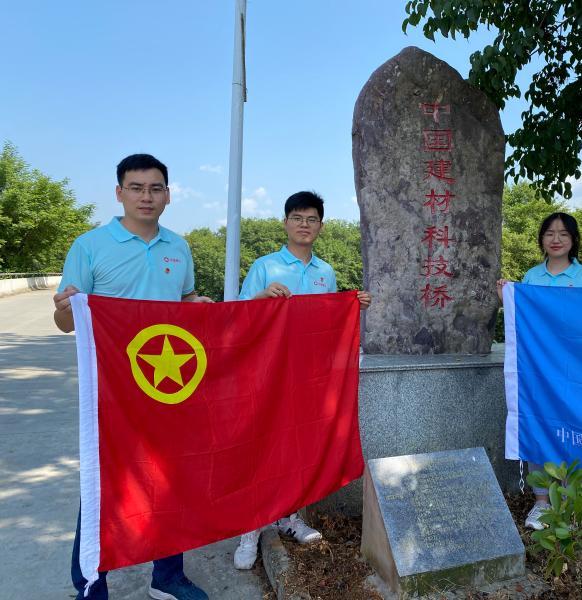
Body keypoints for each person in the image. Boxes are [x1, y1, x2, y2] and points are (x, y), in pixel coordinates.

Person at [53, 154, 211, 600]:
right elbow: (66, 322)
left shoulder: (178, 247)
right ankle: (91, 584)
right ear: (119, 192)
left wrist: (199, 307)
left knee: (170, 480)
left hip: (169, 388)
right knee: (105, 485)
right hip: (112, 390)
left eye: (156, 188)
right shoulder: (90, 246)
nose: (147, 196)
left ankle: (168, 576)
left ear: (168, 195)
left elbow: (184, 302)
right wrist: (65, 309)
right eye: (137, 188)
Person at [233, 190, 371, 570]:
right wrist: (262, 297)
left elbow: (327, 324)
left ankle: (289, 516)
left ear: (321, 226)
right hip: (267, 372)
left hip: (308, 375)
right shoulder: (265, 266)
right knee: (261, 445)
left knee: (297, 446)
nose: (304, 225)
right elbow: (238, 316)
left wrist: (351, 306)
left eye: (311, 219)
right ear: (285, 223)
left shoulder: (326, 272)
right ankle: (251, 527)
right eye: (297, 218)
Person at [496, 212, 582, 530]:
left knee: (573, 429)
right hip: (538, 369)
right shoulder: (531, 276)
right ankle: (542, 502)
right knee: (538, 427)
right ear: (541, 239)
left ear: (574, 240)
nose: (556, 239)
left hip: (575, 368)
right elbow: (524, 320)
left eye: (563, 234)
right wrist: (507, 299)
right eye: (550, 233)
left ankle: (569, 500)